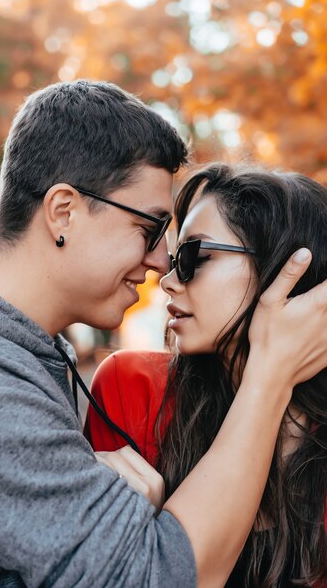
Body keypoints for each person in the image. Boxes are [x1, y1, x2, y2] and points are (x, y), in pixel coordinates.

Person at [0, 81, 326, 588]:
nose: (158, 265)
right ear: (64, 211)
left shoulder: (10, 361)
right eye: (150, 230)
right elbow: (156, 576)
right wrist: (271, 371)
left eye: (181, 251)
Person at [86, 162, 327, 587]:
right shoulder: (132, 386)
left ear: (286, 271)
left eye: (195, 256)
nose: (168, 281)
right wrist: (156, 540)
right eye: (176, 258)